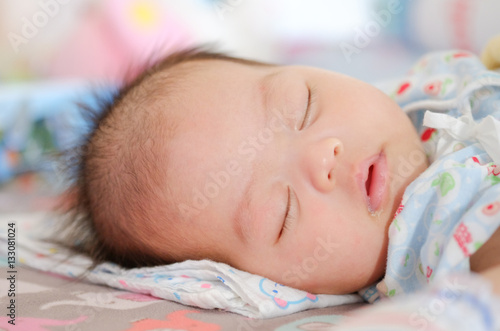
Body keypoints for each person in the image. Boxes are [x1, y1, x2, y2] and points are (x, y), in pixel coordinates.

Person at [56, 46, 500, 302]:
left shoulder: (420, 92)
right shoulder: (441, 237)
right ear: (269, 285)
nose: (323, 159)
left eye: (302, 105)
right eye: (282, 213)